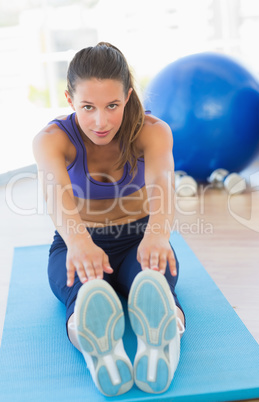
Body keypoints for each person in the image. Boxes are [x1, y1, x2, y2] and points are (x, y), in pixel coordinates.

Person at [33, 42, 185, 397]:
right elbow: (56, 195)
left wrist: (158, 235)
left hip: (141, 238)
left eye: (112, 106)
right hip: (77, 242)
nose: (100, 122)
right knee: (86, 298)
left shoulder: (152, 130)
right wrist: (80, 243)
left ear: (128, 96)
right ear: (69, 99)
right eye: (88, 107)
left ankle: (162, 344)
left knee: (154, 284)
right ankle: (99, 351)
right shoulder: (52, 140)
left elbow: (163, 183)